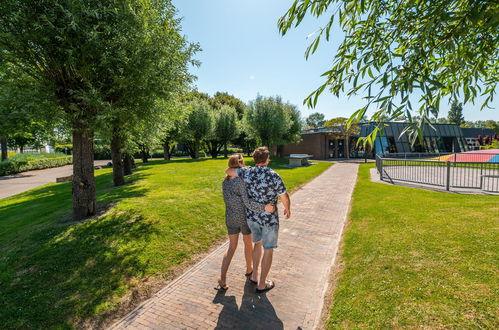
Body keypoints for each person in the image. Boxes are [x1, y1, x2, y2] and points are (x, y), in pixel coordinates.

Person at [226, 147, 290, 293]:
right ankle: (262, 284)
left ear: (254, 159)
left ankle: (254, 276)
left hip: (253, 217)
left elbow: (228, 172)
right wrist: (288, 208)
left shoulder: (247, 172)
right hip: (269, 219)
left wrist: (242, 169)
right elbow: (284, 195)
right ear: (267, 159)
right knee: (268, 249)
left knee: (257, 244)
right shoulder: (273, 175)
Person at [217, 154, 275, 291]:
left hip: (230, 217)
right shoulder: (241, 181)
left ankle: (222, 278)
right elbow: (247, 203)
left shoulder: (225, 182)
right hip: (243, 217)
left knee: (231, 247)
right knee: (248, 243)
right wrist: (263, 207)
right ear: (240, 164)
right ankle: (249, 268)